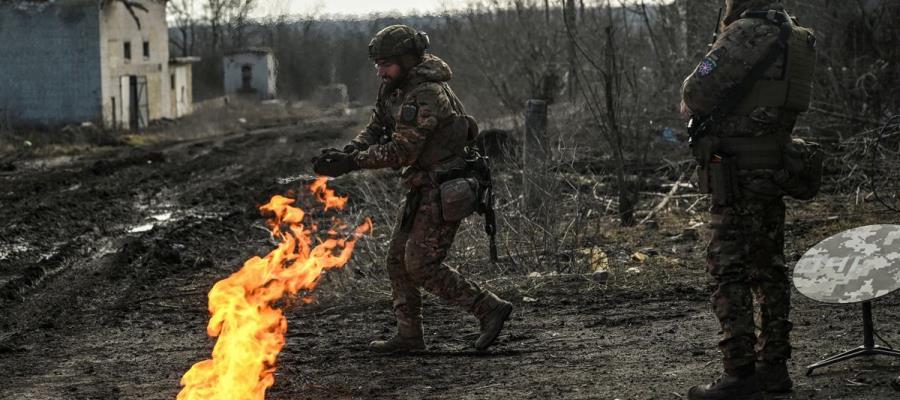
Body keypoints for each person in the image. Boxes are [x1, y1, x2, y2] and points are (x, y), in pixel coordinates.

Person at [312, 25, 513, 353]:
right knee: (396, 260)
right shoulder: (394, 87)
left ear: (407, 60)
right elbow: (377, 126)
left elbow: (401, 151)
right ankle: (409, 336)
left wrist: (352, 163)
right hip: (422, 184)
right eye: (377, 64)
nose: (380, 71)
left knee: (421, 265)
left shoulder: (426, 94)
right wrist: (349, 151)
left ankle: (489, 308)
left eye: (386, 64)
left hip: (445, 186)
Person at [680, 1, 818, 399]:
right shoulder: (794, 34)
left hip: (738, 172)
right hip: (773, 165)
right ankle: (773, 368)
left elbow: (695, 93)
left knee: (728, 269)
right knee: (769, 268)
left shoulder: (745, 31)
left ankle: (739, 374)